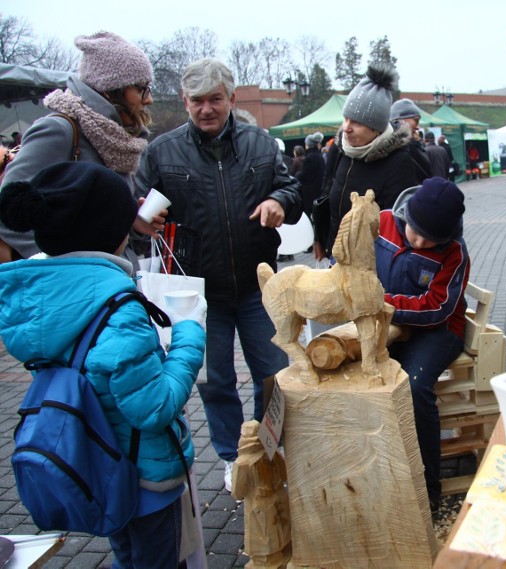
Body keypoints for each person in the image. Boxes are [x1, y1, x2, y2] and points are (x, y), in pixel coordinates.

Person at [0, 161, 206, 568]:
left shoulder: (38, 300)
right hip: (144, 477)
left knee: (127, 555)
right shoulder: (118, 306)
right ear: (109, 232)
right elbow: (153, 407)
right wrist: (188, 334)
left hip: (96, 467)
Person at [134, 58, 302, 493]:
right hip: (195, 291)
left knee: (274, 370)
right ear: (185, 102)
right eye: (197, 101)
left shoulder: (260, 144)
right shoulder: (162, 151)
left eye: (215, 99)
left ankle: (272, 445)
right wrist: (142, 218)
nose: (206, 108)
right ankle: (232, 455)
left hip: (256, 286)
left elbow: (291, 190)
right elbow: (136, 204)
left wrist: (280, 202)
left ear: (230, 98)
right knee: (215, 379)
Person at [0, 31, 163, 264]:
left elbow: (88, 224)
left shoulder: (115, 138)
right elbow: (8, 211)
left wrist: (129, 221)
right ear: (110, 88)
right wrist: (59, 263)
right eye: (141, 88)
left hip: (110, 279)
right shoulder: (60, 130)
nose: (148, 99)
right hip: (72, 290)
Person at [374, 177, 470, 515]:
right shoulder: (382, 221)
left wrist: (383, 305)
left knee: (414, 386)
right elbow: (352, 262)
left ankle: (428, 486)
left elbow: (439, 306)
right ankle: (381, 469)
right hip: (386, 322)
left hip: (439, 330)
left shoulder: (454, 252)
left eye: (432, 239)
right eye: (416, 231)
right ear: (406, 215)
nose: (420, 242)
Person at [312, 62, 419, 260]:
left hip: (370, 266)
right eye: (346, 118)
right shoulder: (341, 149)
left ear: (376, 128)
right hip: (336, 256)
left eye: (356, 122)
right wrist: (320, 238)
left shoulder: (398, 161)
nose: (346, 128)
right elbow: (327, 194)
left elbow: (397, 228)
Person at [390, 98, 430, 183]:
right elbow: (426, 173)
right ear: (400, 119)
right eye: (416, 120)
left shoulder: (405, 145)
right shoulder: (407, 147)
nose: (418, 127)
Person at [297, 132, 325, 220]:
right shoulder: (319, 156)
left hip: (309, 192)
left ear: (308, 145)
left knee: (309, 216)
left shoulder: (310, 157)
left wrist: (296, 175)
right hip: (319, 189)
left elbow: (304, 175)